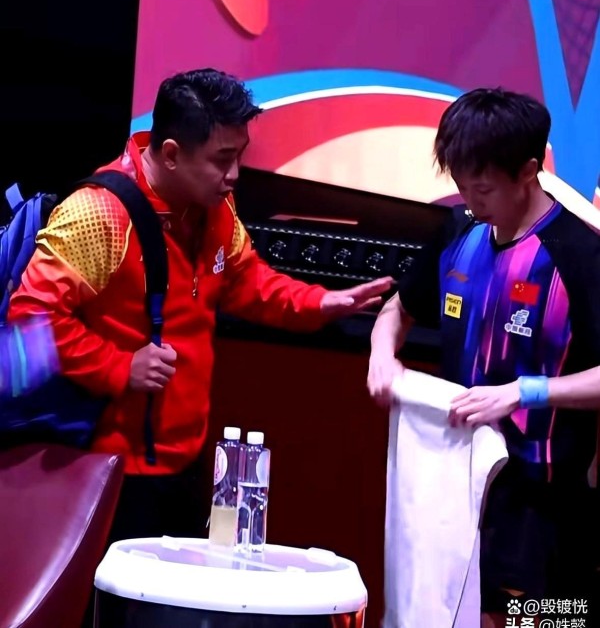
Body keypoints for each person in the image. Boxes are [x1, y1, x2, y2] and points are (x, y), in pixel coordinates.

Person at [8, 68, 392, 543]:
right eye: (222, 160)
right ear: (171, 154)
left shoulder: (214, 205)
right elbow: (30, 319)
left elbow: (247, 281)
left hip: (187, 463)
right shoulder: (98, 213)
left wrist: (320, 302)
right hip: (108, 471)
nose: (234, 175)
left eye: (239, 156)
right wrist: (119, 366)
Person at [367, 88, 600, 626]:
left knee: (543, 621)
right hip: (455, 487)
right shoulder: (459, 233)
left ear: (529, 171)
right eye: (461, 184)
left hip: (542, 505)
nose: (470, 200)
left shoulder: (580, 256)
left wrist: (525, 392)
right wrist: (382, 355)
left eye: (484, 188)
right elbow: (397, 310)